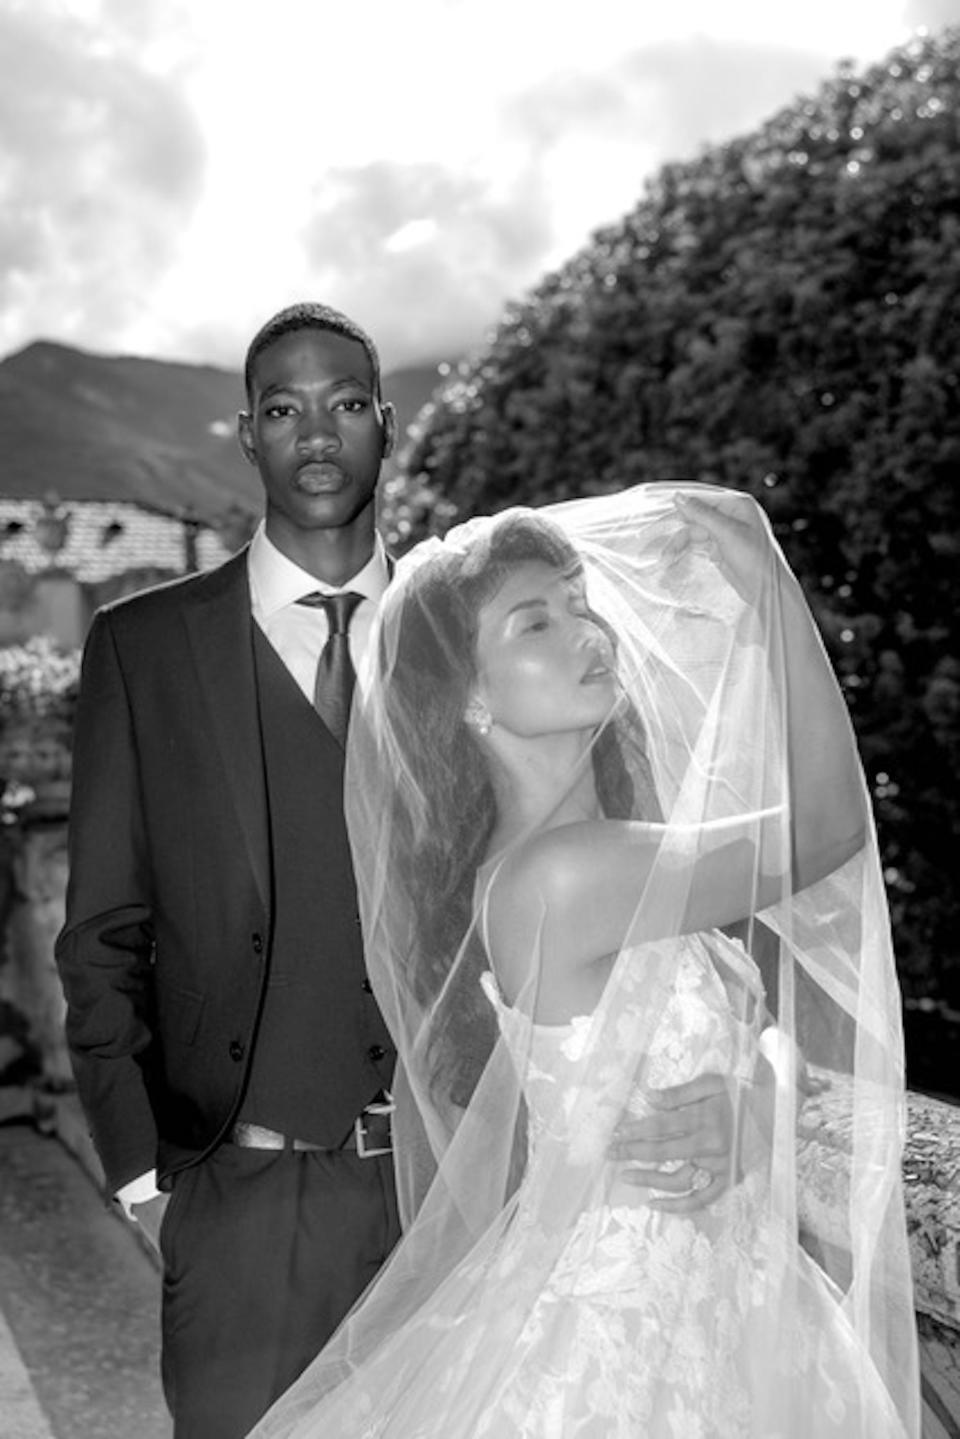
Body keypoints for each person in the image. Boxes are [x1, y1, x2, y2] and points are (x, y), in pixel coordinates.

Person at [55, 306, 734, 1439]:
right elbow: (101, 937)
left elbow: (652, 866)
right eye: (282, 408)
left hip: (482, 1192)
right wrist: (150, 1186)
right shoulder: (144, 645)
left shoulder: (472, 624)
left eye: (344, 404)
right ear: (246, 433)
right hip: (251, 1205)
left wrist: (738, 1086)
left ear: (387, 421)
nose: (315, 433)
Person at [250, 484, 920, 1437]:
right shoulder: (564, 876)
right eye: (535, 621)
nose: (586, 631)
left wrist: (761, 1095)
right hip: (640, 1330)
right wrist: (770, 591)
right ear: (471, 696)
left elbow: (756, 1031)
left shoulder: (606, 856)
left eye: (579, 602)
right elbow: (829, 824)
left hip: (724, 1290)